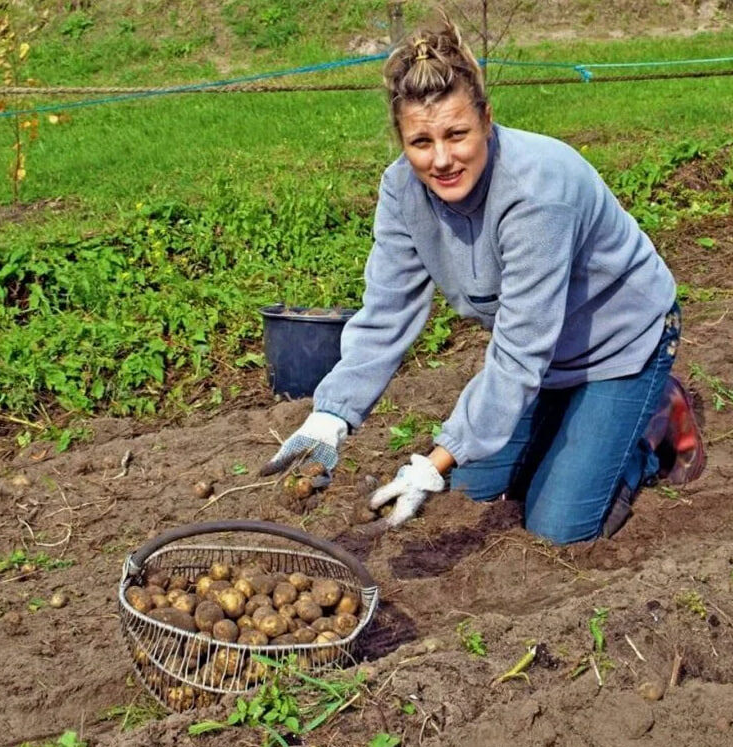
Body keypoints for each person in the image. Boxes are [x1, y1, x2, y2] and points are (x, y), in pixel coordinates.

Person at [261, 16, 705, 544]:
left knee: (557, 527)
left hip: (620, 342)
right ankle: (573, 420)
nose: (442, 159)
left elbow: (518, 355)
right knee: (475, 489)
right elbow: (385, 316)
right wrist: (329, 417)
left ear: (487, 120)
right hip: (545, 354)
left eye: (457, 134)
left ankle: (649, 433)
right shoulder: (403, 191)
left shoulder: (536, 194)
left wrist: (431, 463)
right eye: (421, 141)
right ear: (402, 140)